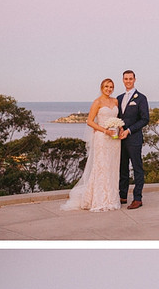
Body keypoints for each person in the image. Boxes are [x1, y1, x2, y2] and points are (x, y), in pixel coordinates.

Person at [62, 78, 124, 212]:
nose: (109, 89)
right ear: (102, 87)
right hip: (102, 138)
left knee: (112, 168)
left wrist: (120, 128)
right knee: (101, 167)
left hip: (114, 140)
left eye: (111, 87)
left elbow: (119, 119)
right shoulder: (97, 102)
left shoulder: (115, 101)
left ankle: (112, 199)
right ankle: (99, 200)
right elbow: (89, 121)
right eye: (106, 86)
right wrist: (105, 130)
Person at [117, 69, 148, 209]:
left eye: (130, 78)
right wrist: (119, 129)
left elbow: (145, 119)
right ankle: (122, 196)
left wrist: (129, 131)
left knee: (137, 169)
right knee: (122, 168)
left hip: (134, 139)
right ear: (123, 80)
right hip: (119, 139)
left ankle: (137, 198)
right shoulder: (118, 98)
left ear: (135, 79)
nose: (128, 81)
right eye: (126, 79)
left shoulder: (141, 98)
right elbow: (117, 118)